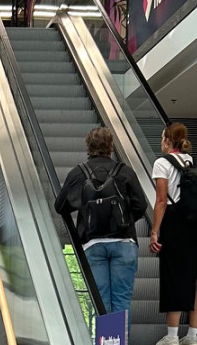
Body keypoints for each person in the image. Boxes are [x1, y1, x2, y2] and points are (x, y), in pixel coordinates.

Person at [55, 125, 149, 317]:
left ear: (88, 147)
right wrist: (124, 220)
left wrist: (84, 206)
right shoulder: (125, 172)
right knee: (122, 301)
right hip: (124, 243)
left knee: (101, 302)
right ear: (111, 146)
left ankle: (106, 338)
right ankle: (119, 339)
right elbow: (141, 205)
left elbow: (60, 206)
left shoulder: (78, 173)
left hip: (93, 244)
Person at [150, 121, 197, 345]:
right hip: (194, 223)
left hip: (174, 221)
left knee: (174, 275)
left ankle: (172, 337)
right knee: (196, 278)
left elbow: (161, 200)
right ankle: (192, 337)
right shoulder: (194, 162)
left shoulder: (162, 163)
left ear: (166, 140)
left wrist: (155, 231)